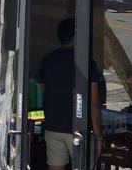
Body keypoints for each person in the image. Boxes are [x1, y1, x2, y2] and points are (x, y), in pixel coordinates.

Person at [36, 18, 103, 169]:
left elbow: (43, 93)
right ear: (75, 36)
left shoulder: (48, 60)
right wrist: (98, 136)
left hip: (52, 126)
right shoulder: (86, 63)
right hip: (79, 128)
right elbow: (93, 103)